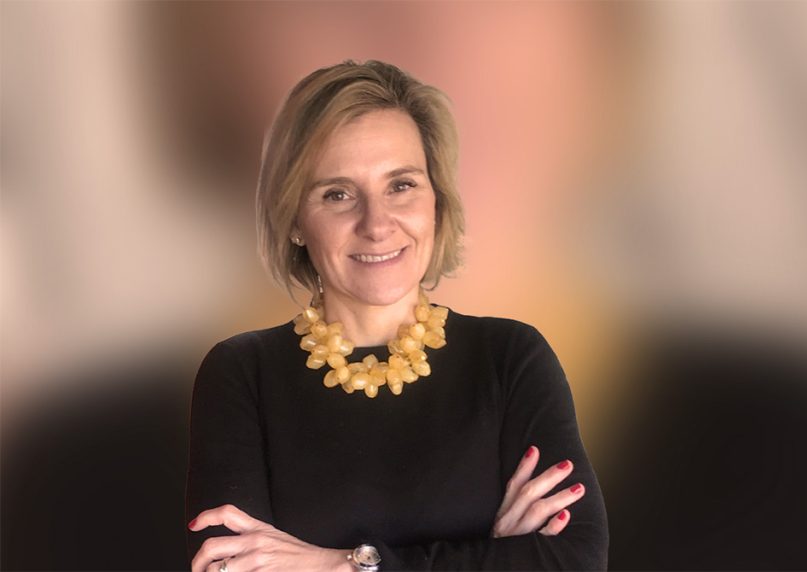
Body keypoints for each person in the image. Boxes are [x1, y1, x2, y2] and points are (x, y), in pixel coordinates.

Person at [185, 60, 608, 572]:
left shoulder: (510, 358)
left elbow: (574, 560)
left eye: (401, 185)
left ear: (436, 202)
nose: (377, 223)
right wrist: (497, 555)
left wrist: (340, 564)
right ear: (295, 219)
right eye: (338, 194)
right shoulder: (241, 374)